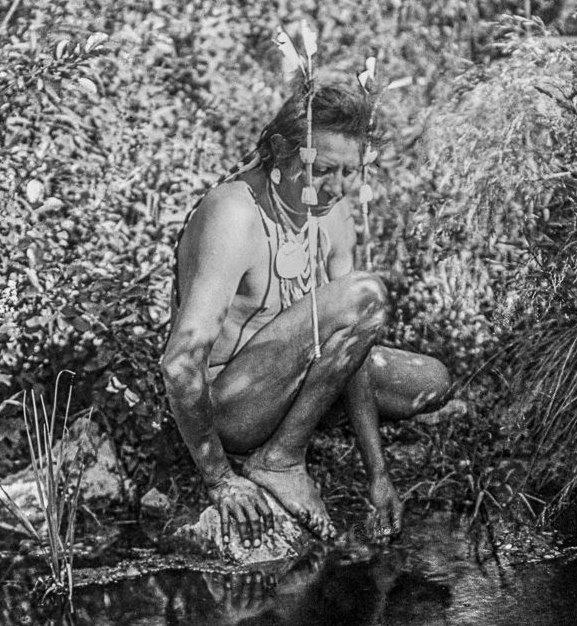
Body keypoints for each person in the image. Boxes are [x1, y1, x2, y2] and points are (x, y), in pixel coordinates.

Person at [162, 79, 451, 549]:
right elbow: (179, 363)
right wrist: (219, 480)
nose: (336, 187)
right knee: (365, 292)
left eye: (349, 172)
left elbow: (352, 342)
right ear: (280, 150)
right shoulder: (234, 213)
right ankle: (278, 460)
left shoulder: (332, 213)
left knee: (430, 380)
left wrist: (377, 475)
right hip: (233, 410)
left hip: (287, 390)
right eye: (322, 169)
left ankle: (284, 448)